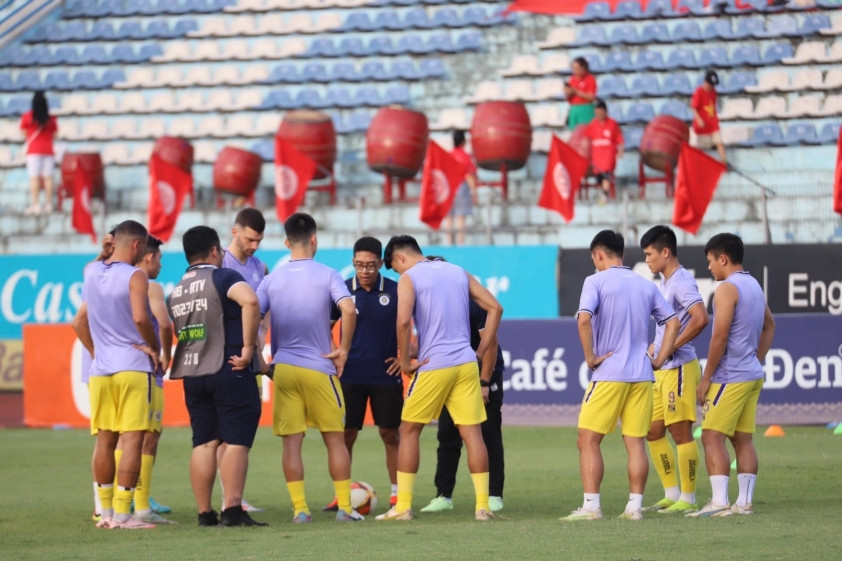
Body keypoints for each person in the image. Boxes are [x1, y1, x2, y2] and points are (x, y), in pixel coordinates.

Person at [375, 236, 503, 522]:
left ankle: (402, 507)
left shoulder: (410, 277)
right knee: (473, 434)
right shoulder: (458, 271)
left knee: (409, 430)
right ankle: (483, 507)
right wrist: (479, 352)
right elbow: (496, 308)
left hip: (434, 364)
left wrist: (405, 362)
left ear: (400, 258)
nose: (398, 273)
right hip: (465, 364)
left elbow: (403, 321)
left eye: (396, 268)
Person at [563, 230, 680, 522]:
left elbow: (584, 320)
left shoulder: (595, 281)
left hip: (609, 373)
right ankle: (634, 508)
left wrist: (590, 357)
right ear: (623, 255)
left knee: (587, 440)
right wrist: (660, 359)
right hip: (642, 374)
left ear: (599, 255)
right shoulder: (645, 284)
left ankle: (591, 507)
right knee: (636, 442)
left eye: (594, 259)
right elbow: (673, 322)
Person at [256, 213, 363, 523]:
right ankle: (345, 508)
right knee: (335, 439)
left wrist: (259, 360)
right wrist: (343, 350)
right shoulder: (328, 274)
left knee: (292, 443)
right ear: (314, 239)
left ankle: (300, 510)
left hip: (284, 369)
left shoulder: (271, 280)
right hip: (319, 366)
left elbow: (252, 316)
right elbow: (348, 310)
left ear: (286, 242)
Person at [167, 226, 267, 527]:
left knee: (204, 442)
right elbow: (250, 301)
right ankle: (233, 510)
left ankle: (204, 513)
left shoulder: (177, 290)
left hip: (193, 372)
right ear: (213, 250)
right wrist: (248, 348)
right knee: (236, 440)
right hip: (228, 366)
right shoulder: (223, 277)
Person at [72, 220, 160, 530]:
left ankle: (105, 513)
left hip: (101, 371)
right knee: (133, 440)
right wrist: (154, 347)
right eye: (144, 246)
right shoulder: (136, 276)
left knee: (105, 441)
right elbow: (140, 317)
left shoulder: (90, 271)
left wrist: (96, 352)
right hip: (132, 367)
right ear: (137, 245)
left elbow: (78, 322)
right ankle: (124, 514)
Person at [687, 234, 775, 518]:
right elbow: (770, 326)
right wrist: (755, 360)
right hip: (751, 375)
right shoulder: (754, 285)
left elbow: (719, 336)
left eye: (710, 261)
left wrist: (706, 378)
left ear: (723, 258)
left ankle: (719, 502)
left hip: (730, 376)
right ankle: (744, 503)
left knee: (711, 437)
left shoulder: (727, 289)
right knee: (742, 439)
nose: (709, 267)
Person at [419, 256, 506, 514]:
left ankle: (493, 494)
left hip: (481, 373)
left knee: (488, 432)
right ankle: (443, 495)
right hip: (453, 373)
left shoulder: (472, 302)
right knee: (447, 433)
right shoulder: (429, 304)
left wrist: (484, 381)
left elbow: (491, 343)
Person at [322, 237, 402, 512]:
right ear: (353, 263)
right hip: (349, 375)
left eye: (370, 265)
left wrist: (404, 357)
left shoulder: (396, 291)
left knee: (390, 434)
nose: (364, 270)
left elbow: (411, 326)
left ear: (380, 263)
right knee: (345, 436)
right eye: (359, 265)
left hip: (386, 375)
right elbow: (324, 327)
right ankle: (341, 496)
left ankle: (397, 496)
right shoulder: (341, 291)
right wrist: (336, 353)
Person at [639, 226, 709, 515]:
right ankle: (671, 493)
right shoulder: (665, 282)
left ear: (665, 252)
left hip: (679, 366)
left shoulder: (681, 281)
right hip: (662, 368)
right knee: (653, 431)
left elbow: (701, 318)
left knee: (680, 432)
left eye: (649, 254)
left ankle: (689, 498)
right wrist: (657, 346)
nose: (647, 260)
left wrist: (670, 347)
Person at [219, 207, 270, 514]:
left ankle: (234, 495)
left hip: (251, 356)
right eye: (250, 239)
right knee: (226, 433)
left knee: (242, 430)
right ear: (235, 231)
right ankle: (229, 499)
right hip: (227, 355)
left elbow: (265, 307)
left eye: (259, 241)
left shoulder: (259, 266)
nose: (254, 246)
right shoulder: (220, 262)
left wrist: (260, 336)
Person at [20, 91, 58, 215]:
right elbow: (55, 134)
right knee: (48, 177)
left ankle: (36, 204)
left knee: (34, 177)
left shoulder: (28, 116)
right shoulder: (51, 118)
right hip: (48, 150)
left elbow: (24, 133)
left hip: (34, 150)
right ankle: (48, 204)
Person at [441, 131, 478, 246]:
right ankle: (460, 244)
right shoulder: (465, 156)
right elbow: (468, 176)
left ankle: (449, 244)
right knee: (460, 219)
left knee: (449, 219)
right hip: (461, 189)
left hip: (449, 190)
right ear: (464, 141)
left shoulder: (448, 156)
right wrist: (474, 194)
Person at [585, 99, 624, 205]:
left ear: (605, 111)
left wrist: (621, 150)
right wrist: (584, 145)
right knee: (599, 178)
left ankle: (605, 196)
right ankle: (604, 194)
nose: (598, 114)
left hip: (608, 156)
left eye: (600, 111)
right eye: (597, 112)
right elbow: (586, 136)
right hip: (597, 157)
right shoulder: (593, 124)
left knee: (606, 175)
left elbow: (620, 139)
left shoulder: (612, 124)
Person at [690, 69, 727, 164]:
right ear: (705, 82)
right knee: (701, 147)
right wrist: (699, 119)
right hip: (703, 125)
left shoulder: (714, 92)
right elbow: (694, 107)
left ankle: (724, 162)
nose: (712, 87)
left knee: (719, 142)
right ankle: (697, 163)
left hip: (713, 123)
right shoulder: (699, 92)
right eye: (710, 84)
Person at [564, 57, 597, 128]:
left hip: (586, 108)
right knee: (573, 131)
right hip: (574, 108)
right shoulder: (572, 78)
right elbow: (568, 98)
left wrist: (577, 92)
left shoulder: (590, 79)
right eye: (573, 69)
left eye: (577, 69)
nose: (575, 71)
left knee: (585, 131)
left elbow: (591, 97)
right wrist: (568, 93)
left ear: (583, 68)